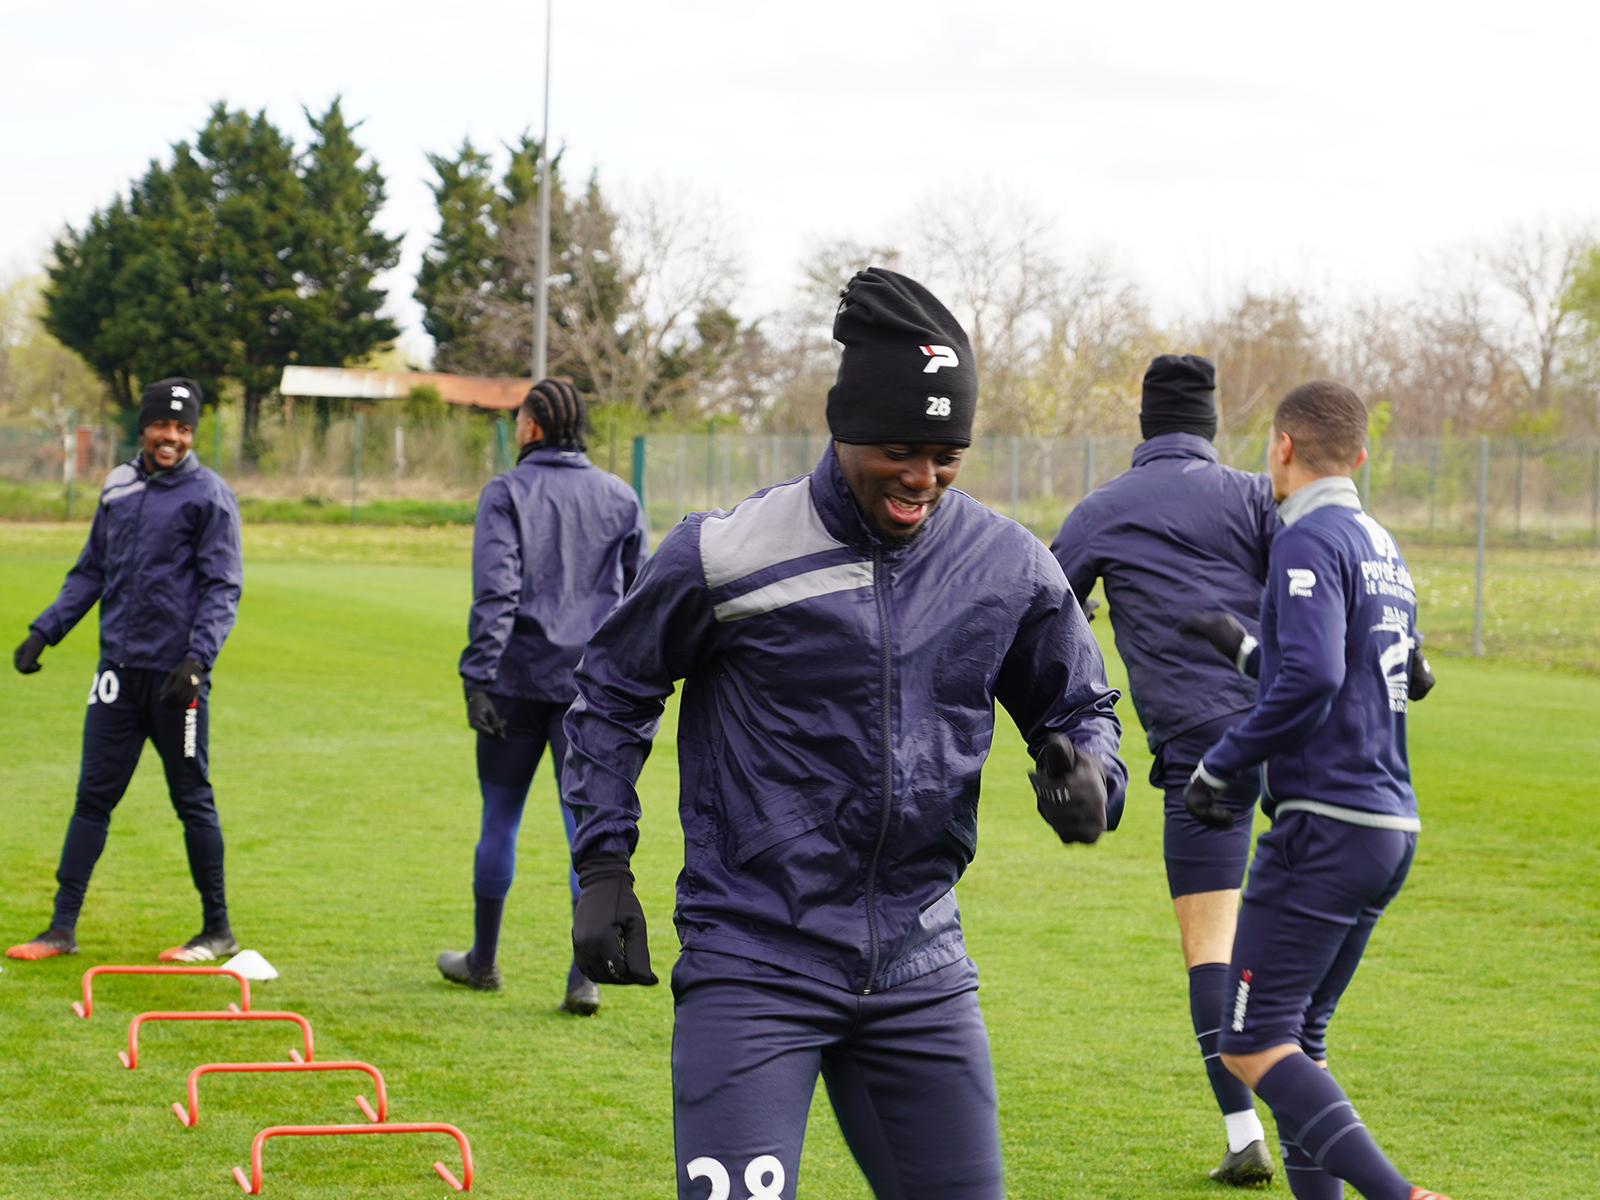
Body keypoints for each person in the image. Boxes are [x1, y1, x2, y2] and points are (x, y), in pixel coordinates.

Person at [560, 268, 1127, 1200]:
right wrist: (602, 870)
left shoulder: (1007, 566)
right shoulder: (726, 553)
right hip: (754, 960)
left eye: (948, 452)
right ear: (843, 427)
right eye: (900, 448)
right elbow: (612, 691)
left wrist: (1090, 780)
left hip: (920, 967)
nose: (924, 477)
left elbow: (1079, 709)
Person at [1182, 380, 1452, 1200]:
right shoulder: (1380, 542)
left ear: (1282, 447)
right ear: (1361, 456)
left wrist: (1220, 765)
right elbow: (1399, 673)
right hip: (1387, 826)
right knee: (1297, 1037)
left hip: (1324, 827)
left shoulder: (1306, 536)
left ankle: (1400, 1195)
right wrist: (1240, 645)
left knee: (1249, 1044)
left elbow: (1314, 678)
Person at [1049, 354, 1282, 1185]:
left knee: (1211, 952)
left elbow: (1045, 613)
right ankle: (1312, 1113)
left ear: (1144, 425)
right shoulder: (1260, 495)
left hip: (1203, 759)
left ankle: (1243, 1130)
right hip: (1298, 741)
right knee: (1296, 941)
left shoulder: (1104, 508)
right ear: (1213, 425)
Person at [8, 378, 243, 964]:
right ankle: (60, 929)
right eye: (163, 426)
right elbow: (92, 569)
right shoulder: (117, 484)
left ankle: (217, 931)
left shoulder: (209, 495)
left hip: (175, 683)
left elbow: (222, 586)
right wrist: (46, 629)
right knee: (93, 797)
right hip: (115, 674)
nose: (172, 438)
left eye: (184, 429)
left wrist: (197, 661)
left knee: (192, 799)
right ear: (144, 427)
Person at [435, 378, 648, 1016]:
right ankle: (583, 977)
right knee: (583, 830)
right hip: (589, 691)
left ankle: (483, 962)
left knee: (498, 820)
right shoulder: (620, 495)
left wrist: (477, 674)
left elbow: (497, 592)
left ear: (530, 427)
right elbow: (640, 596)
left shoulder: (506, 491)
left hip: (515, 682)